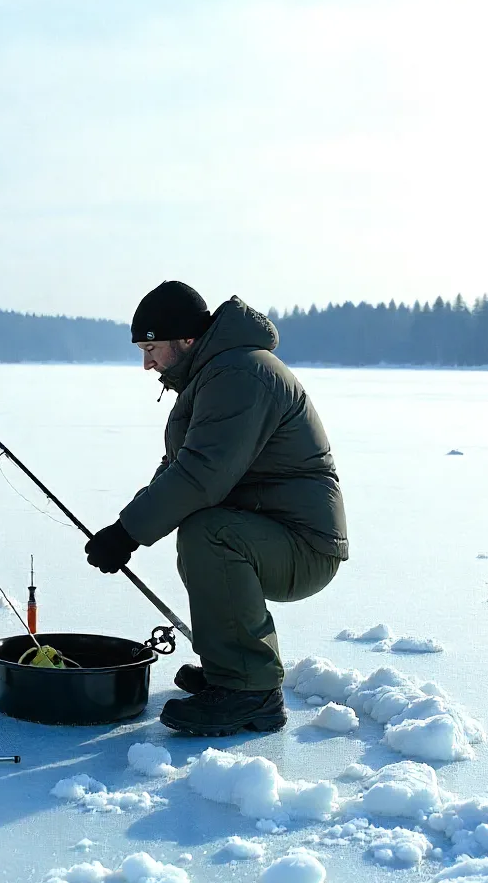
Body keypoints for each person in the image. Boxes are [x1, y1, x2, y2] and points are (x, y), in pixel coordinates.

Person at [84, 281, 348, 737]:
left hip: (305, 547)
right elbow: (179, 469)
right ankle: (230, 669)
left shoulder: (241, 375)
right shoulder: (215, 374)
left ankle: (252, 692)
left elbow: (201, 476)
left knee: (210, 532)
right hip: (271, 529)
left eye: (151, 347)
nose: (146, 362)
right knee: (206, 527)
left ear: (186, 339)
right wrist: (123, 528)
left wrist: (127, 533)